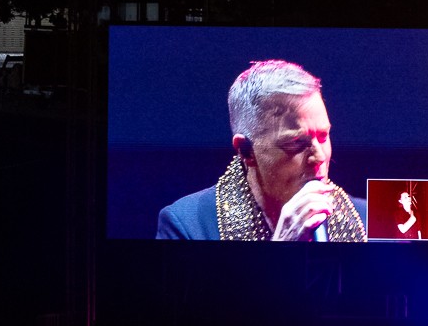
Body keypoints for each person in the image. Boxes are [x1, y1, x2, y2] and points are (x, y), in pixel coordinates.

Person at [155, 59, 369, 240]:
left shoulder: (367, 219)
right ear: (246, 151)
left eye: (323, 136)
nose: (319, 156)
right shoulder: (187, 226)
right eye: (296, 143)